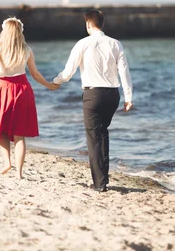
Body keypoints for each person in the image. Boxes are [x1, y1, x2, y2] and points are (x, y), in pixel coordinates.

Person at [53, 10, 133, 192]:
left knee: (94, 138)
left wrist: (55, 82)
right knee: (102, 134)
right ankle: (103, 179)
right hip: (113, 95)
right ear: (102, 25)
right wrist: (128, 97)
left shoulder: (83, 44)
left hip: (93, 95)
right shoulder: (116, 44)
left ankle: (99, 184)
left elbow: (68, 72)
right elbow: (124, 72)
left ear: (88, 25)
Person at [0, 17, 59, 179]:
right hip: (23, 90)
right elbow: (35, 75)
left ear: (5, 31)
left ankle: (6, 162)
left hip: (4, 89)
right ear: (19, 32)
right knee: (19, 134)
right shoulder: (26, 50)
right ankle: (19, 173)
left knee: (1, 129)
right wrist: (49, 85)